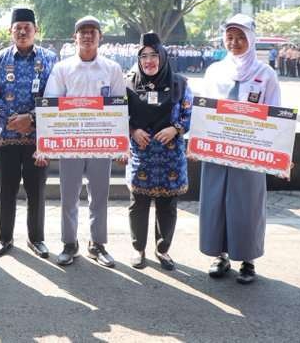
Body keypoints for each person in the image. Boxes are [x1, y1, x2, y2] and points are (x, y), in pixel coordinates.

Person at [199, 14, 281, 284]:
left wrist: (279, 155)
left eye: (240, 37)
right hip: (217, 150)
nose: (234, 42)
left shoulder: (265, 74)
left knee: (248, 204)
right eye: (230, 37)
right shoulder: (214, 71)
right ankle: (220, 254)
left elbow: (276, 117)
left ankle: (248, 260)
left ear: (251, 39)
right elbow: (204, 110)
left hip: (250, 151)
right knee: (216, 201)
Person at [44, 16, 125, 267]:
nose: (87, 36)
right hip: (70, 143)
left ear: (100, 37)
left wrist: (121, 146)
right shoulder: (62, 68)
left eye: (92, 32)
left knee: (99, 195)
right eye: (83, 32)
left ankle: (97, 244)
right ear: (75, 37)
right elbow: (51, 104)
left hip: (101, 142)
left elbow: (120, 107)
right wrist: (46, 144)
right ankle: (70, 243)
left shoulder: (112, 69)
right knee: (68, 195)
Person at [0, 7, 57, 258]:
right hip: (6, 137)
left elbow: (56, 95)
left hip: (38, 139)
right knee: (6, 190)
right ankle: (4, 238)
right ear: (10, 31)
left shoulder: (50, 58)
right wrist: (13, 119)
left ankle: (36, 239)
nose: (23, 31)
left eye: (28, 27)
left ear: (36, 30)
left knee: (37, 191)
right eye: (18, 27)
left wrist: (32, 119)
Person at [125, 32, 193, 270]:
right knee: (138, 204)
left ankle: (162, 250)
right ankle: (138, 249)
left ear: (163, 57)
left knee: (167, 205)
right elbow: (117, 116)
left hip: (170, 157)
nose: (149, 61)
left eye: (154, 55)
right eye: (144, 56)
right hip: (141, 156)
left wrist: (175, 129)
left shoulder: (180, 83)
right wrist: (133, 130)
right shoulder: (129, 83)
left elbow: (190, 115)